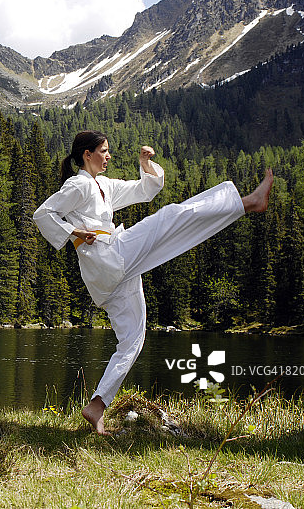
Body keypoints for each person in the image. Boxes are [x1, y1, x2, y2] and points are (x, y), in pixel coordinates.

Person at [33, 130, 273, 434]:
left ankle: (97, 406)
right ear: (86, 154)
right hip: (110, 256)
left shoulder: (101, 185)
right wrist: (74, 233)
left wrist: (147, 166)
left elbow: (144, 191)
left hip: (110, 273)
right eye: (103, 151)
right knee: (170, 217)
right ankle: (248, 203)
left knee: (132, 340)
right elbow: (44, 213)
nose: (108, 156)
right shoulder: (79, 184)